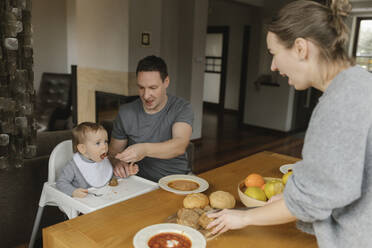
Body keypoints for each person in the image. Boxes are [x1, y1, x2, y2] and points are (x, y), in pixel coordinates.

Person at [207, 1, 372, 247]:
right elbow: (337, 180)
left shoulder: (340, 103)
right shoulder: (360, 83)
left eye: (273, 53)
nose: (273, 66)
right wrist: (290, 198)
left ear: (300, 48)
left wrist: (243, 218)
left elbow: (314, 199)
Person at [108, 55, 194, 182]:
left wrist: (144, 149)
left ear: (166, 82)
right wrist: (118, 163)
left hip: (175, 180)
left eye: (153, 88)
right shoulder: (126, 112)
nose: (146, 95)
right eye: (141, 88)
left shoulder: (182, 108)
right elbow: (114, 154)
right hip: (137, 181)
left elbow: (180, 144)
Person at [56, 122, 138, 197]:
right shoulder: (74, 166)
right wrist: (73, 191)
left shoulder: (104, 160)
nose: (104, 146)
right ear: (82, 148)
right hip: (83, 202)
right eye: (98, 143)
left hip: (102, 199)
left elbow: (109, 177)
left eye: (105, 141)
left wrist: (127, 173)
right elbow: (61, 183)